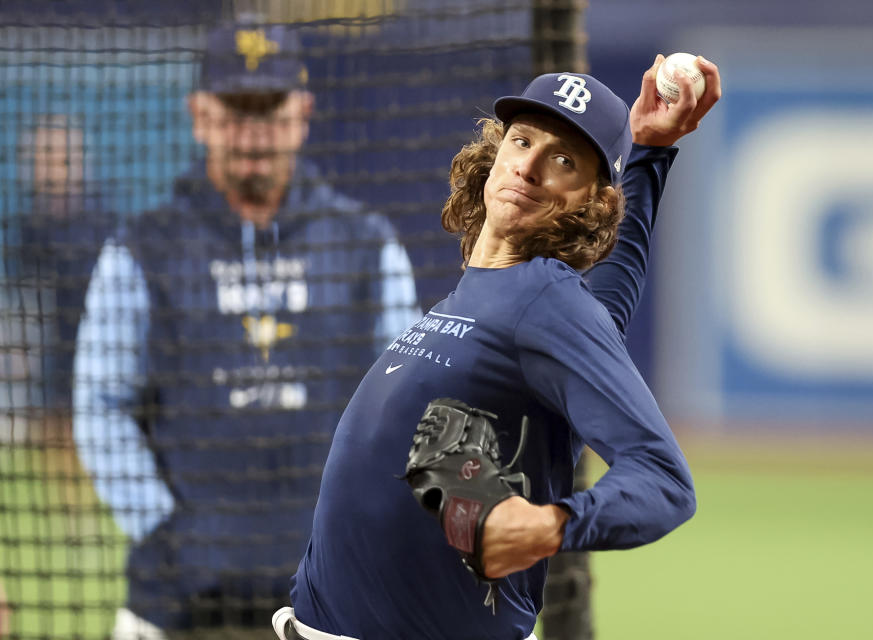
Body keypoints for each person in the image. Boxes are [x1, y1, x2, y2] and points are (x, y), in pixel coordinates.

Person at [275, 55, 721, 639]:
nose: (530, 167)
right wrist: (649, 153)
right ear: (494, 155)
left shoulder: (543, 297)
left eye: (563, 160)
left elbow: (663, 480)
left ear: (591, 202)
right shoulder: (500, 299)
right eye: (522, 140)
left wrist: (550, 526)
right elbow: (608, 304)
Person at [71, 23, 420, 638]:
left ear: (303, 114)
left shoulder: (367, 246)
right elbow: (100, 405)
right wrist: (163, 529)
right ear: (199, 116)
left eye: (270, 110)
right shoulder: (141, 251)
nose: (253, 133)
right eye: (234, 112)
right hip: (175, 596)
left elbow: (405, 407)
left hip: (330, 595)